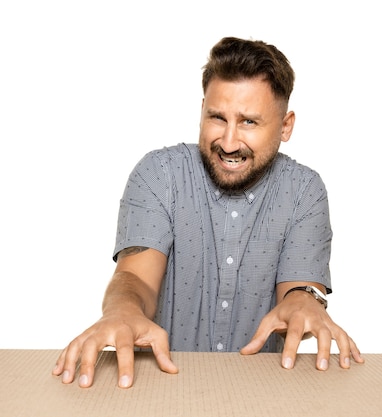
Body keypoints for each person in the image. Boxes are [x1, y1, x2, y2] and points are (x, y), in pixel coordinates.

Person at [52, 36, 364, 389]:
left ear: (285, 125)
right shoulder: (159, 174)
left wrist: (306, 303)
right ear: (202, 110)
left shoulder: (304, 191)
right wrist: (122, 310)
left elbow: (297, 292)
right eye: (217, 117)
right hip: (159, 389)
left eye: (248, 122)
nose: (229, 142)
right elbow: (135, 278)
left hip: (263, 395)